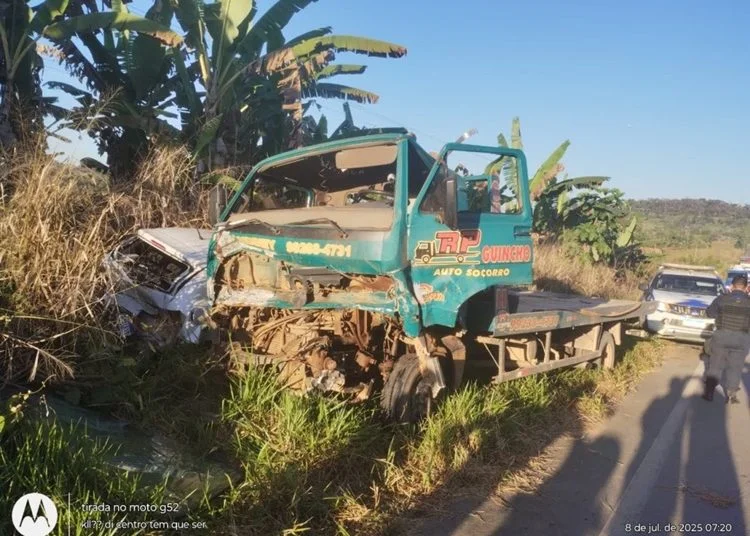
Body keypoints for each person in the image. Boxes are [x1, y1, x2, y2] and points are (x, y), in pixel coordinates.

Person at [703, 274, 750, 404]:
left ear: (731, 286)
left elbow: (709, 313)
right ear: (747, 288)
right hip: (741, 338)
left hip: (721, 336)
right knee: (736, 367)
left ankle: (709, 393)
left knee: (715, 365)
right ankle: (731, 395)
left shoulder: (721, 299)